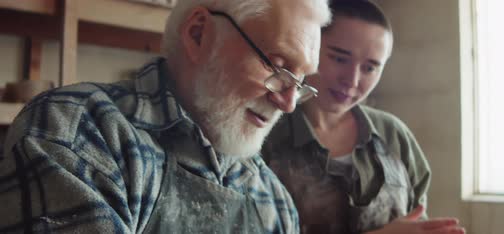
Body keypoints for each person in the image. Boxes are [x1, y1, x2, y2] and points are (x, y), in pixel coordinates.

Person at [0, 0, 331, 233]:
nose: (288, 102)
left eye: (301, 82)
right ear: (198, 34)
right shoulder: (79, 131)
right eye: (276, 66)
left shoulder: (273, 199)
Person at [262, 1, 466, 234]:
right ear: (311, 47)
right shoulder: (264, 132)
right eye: (339, 58)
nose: (352, 80)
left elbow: (418, 223)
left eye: (370, 68)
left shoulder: (393, 135)